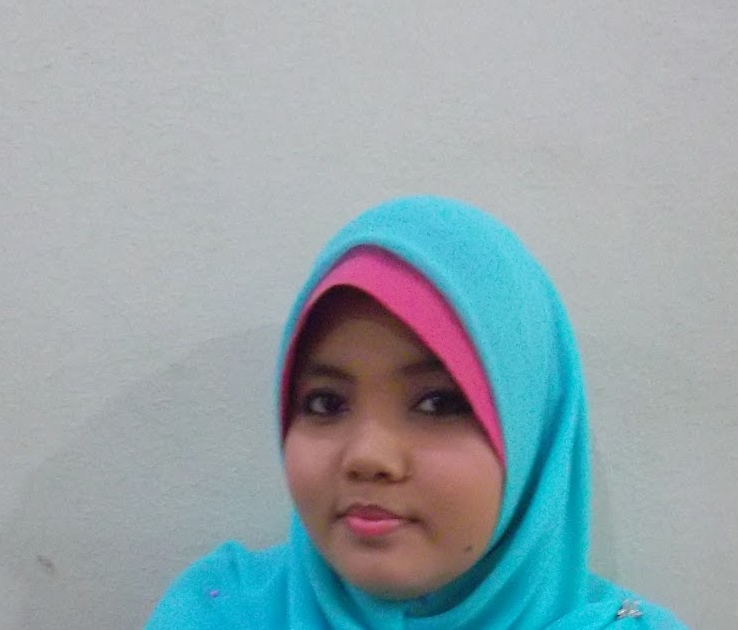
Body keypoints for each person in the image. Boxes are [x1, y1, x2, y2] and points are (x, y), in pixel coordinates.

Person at [144, 196, 689, 628]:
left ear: (532, 438)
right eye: (326, 403)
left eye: (438, 403)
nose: (367, 456)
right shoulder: (219, 613)